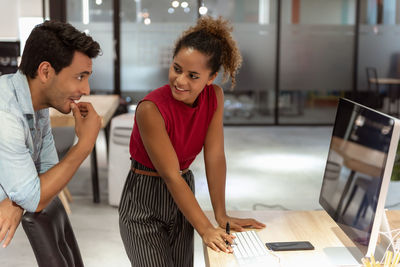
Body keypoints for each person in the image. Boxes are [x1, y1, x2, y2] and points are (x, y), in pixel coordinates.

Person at [119, 16, 265, 267]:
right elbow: (170, 175)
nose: (180, 80)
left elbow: (215, 156)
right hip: (144, 199)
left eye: (193, 75)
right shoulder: (151, 109)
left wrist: (221, 215)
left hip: (183, 195)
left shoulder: (214, 97)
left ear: (211, 78)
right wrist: (205, 228)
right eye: (177, 68)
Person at [0, 20, 102, 248]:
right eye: (80, 77)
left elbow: (47, 177)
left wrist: (18, 200)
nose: (86, 89)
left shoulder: (38, 105)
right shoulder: (5, 112)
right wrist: (84, 144)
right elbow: (36, 196)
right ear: (45, 71)